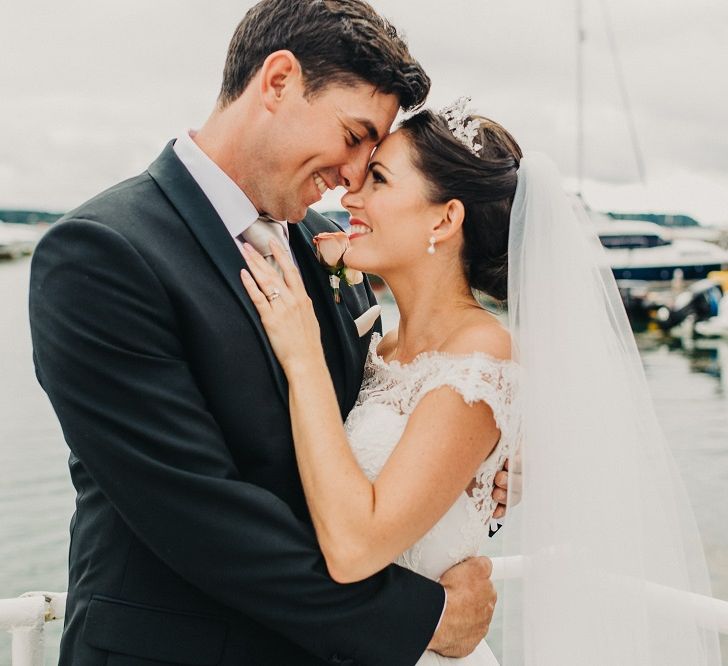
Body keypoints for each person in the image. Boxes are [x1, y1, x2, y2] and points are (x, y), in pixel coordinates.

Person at [28, 2, 506, 665]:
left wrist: (468, 466)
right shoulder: (102, 254)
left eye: (373, 155)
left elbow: (361, 429)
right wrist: (424, 619)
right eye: (353, 134)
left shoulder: (323, 247)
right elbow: (200, 516)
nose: (352, 177)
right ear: (278, 81)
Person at [240, 105, 721, 665]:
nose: (349, 197)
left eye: (379, 179)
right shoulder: (380, 343)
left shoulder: (482, 357)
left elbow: (357, 547)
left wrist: (302, 359)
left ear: (444, 220)